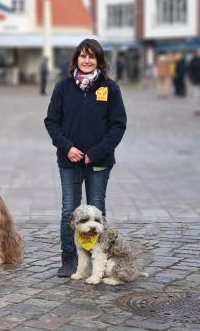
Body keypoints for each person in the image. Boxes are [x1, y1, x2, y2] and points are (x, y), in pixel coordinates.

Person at [44, 38, 127, 277]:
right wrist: (67, 148)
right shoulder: (63, 87)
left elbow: (118, 125)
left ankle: (99, 260)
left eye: (92, 56)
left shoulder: (110, 88)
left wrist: (96, 153)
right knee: (68, 211)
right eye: (83, 56)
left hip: (99, 162)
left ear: (99, 60)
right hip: (68, 160)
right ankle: (68, 259)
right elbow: (52, 122)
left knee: (97, 211)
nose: (87, 60)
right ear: (76, 59)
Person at [189, 49, 200, 115]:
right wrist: (191, 78)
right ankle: (197, 109)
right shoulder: (193, 61)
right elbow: (190, 70)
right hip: (195, 81)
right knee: (196, 96)